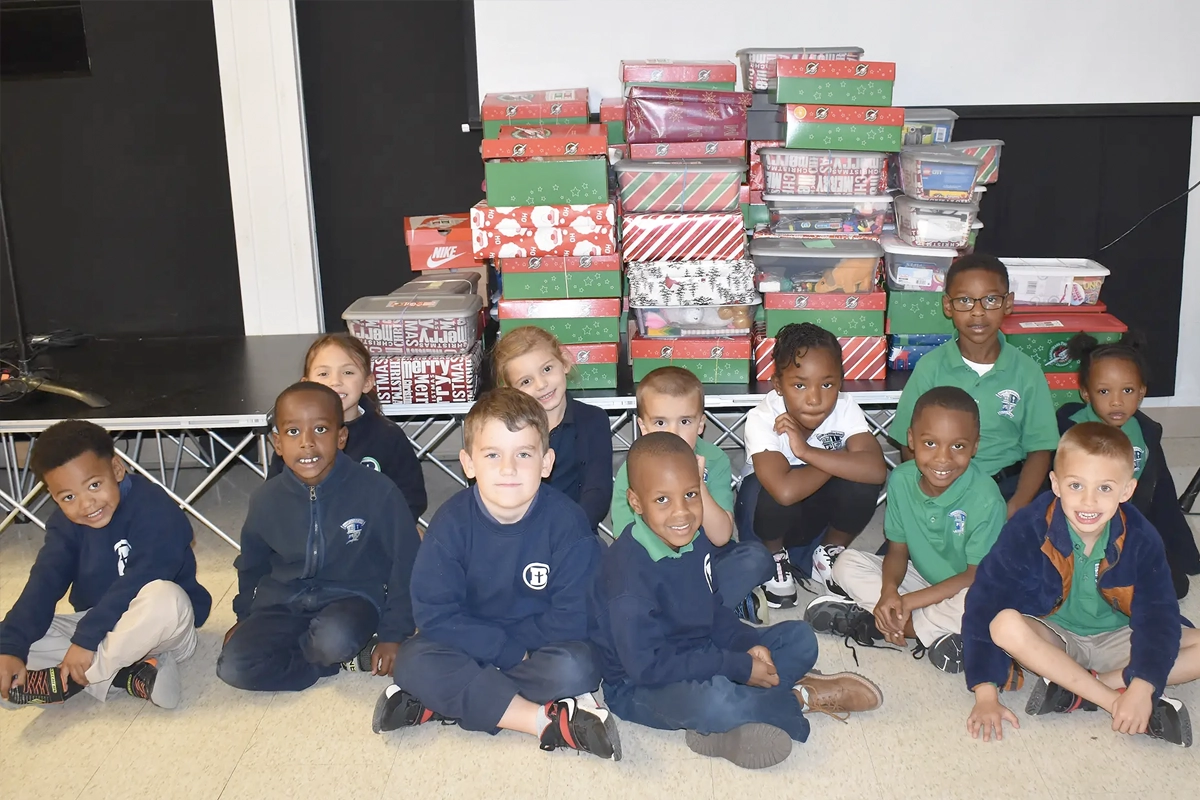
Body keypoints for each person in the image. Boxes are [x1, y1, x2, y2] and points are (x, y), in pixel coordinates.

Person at [592, 432, 883, 769]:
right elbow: (648, 668)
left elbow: (711, 610)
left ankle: (731, 722)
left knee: (799, 639)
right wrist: (736, 666)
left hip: (699, 649)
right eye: (662, 500)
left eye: (690, 495)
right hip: (640, 685)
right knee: (718, 702)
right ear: (636, 502)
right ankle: (796, 699)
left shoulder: (692, 539)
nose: (681, 513)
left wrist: (745, 644)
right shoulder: (629, 578)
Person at [374, 388, 620, 761]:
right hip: (469, 642)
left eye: (524, 454)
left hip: (540, 647)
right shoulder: (451, 524)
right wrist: (503, 650)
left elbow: (574, 617)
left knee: (578, 667)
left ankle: (440, 702)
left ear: (546, 462)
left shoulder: (568, 523)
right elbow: (435, 614)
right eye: (492, 455)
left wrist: (515, 650)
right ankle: (542, 721)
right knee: (413, 660)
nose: (508, 469)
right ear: (468, 464)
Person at [962, 422, 1198, 747]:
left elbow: (1159, 617)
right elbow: (983, 601)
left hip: (1120, 637)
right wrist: (985, 694)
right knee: (1003, 625)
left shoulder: (1142, 538)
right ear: (1055, 484)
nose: (1088, 501)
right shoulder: (1029, 527)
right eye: (1076, 485)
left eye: (1104, 488)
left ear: (1127, 490)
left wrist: (1144, 685)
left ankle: (1080, 690)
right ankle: (1110, 699)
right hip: (1056, 638)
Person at [217, 382, 420, 692]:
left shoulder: (377, 491)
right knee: (233, 668)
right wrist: (245, 615)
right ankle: (337, 660)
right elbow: (251, 563)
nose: (307, 443)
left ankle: (337, 650)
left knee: (333, 639)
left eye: (321, 430)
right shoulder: (266, 499)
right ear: (277, 443)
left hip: (350, 599)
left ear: (341, 437)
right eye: (293, 432)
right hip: (282, 601)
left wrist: (394, 634)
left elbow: (405, 563)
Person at [0, 420, 211, 708]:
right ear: (53, 496)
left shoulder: (154, 507)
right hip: (100, 627)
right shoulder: (64, 525)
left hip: (162, 630)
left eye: (94, 485)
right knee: (11, 638)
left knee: (165, 597)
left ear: (116, 469)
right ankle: (129, 675)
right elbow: (44, 582)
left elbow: (144, 577)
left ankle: (74, 680)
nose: (86, 504)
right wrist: (10, 648)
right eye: (69, 497)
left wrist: (86, 641)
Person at [806, 387, 1006, 674]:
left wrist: (906, 602)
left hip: (969, 587)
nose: (943, 459)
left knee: (990, 608)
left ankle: (886, 624)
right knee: (846, 564)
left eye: (958, 446)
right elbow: (897, 548)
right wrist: (889, 591)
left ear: (975, 446)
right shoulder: (900, 480)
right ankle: (930, 630)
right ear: (911, 440)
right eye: (930, 443)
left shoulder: (986, 497)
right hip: (922, 580)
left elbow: (975, 575)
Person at [891, 253, 1059, 517]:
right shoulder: (930, 368)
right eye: (965, 301)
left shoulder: (1027, 371)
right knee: (905, 551)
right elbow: (908, 443)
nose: (978, 311)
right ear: (948, 306)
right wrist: (932, 495)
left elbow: (1040, 448)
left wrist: (1017, 505)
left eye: (991, 299)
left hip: (1007, 486)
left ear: (1008, 304)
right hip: (943, 483)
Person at [734, 323, 887, 609]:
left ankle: (827, 552)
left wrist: (806, 451)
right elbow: (784, 492)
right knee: (766, 485)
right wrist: (841, 458)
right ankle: (774, 559)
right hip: (764, 522)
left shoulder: (845, 407)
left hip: (815, 517)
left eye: (827, 384)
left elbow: (876, 470)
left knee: (862, 481)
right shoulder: (763, 417)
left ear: (840, 381)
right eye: (800, 385)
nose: (815, 399)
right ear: (778, 384)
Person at [610, 366, 774, 622]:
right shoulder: (634, 467)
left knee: (756, 557)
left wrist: (697, 486)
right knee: (620, 574)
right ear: (643, 426)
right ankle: (714, 610)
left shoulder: (715, 460)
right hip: (656, 562)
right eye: (661, 422)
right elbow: (624, 540)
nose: (673, 433)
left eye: (685, 421)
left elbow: (721, 537)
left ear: (701, 424)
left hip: (708, 557)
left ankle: (700, 611)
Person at [1057, 332, 1200, 598]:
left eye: (1128, 390)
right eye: (1103, 391)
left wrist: (1183, 552)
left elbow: (1162, 494)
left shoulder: (1145, 434)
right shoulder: (1071, 431)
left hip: (1127, 527)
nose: (1116, 401)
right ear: (1086, 393)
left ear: (1142, 392)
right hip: (1080, 528)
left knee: (1176, 585)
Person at [268, 333, 427, 524]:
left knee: (417, 540)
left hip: (371, 533)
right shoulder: (293, 437)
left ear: (367, 382)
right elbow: (274, 496)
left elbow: (411, 498)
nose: (335, 381)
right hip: (307, 533)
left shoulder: (388, 436)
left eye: (348, 372)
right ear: (306, 384)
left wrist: (389, 528)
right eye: (323, 374)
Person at [492, 326, 613, 532]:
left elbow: (597, 493)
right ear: (510, 390)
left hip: (576, 531)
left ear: (564, 362)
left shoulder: (593, 420)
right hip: (519, 534)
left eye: (547, 369)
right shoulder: (503, 431)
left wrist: (568, 532)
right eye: (526, 381)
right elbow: (494, 495)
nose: (541, 385)